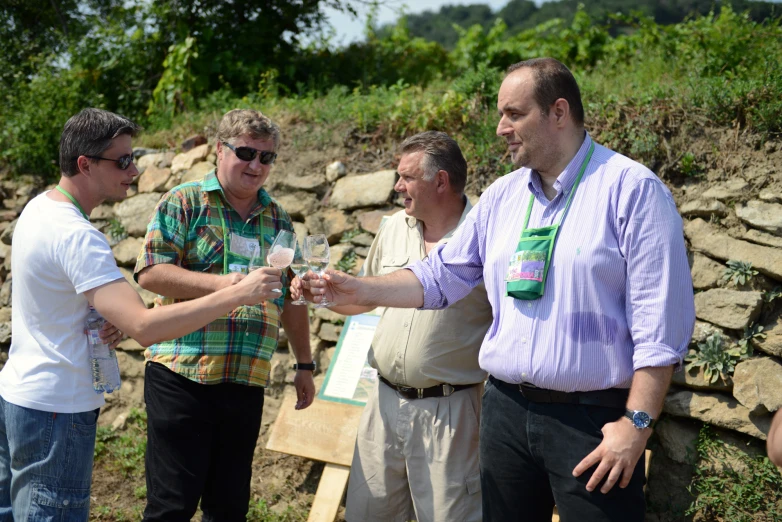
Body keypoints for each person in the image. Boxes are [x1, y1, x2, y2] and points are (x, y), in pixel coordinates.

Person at [294, 58, 695, 522]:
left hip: (589, 420)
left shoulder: (632, 190)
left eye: (514, 113)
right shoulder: (504, 196)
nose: (501, 127)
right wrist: (356, 287)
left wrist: (637, 425)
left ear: (558, 112)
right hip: (504, 412)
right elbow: (439, 277)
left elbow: (659, 326)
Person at [0, 108, 283, 522]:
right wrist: (236, 292)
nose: (134, 170)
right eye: (123, 160)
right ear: (85, 164)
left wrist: (101, 315)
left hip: (23, 395)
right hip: (58, 408)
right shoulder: (79, 237)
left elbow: (55, 300)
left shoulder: (39, 209)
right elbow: (146, 328)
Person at [134, 108, 315, 522]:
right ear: (219, 149)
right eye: (246, 152)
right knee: (171, 507)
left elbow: (293, 297)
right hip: (182, 373)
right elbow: (151, 272)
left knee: (229, 509)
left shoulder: (278, 218)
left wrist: (305, 363)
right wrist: (227, 287)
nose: (256, 165)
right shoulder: (183, 200)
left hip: (245, 379)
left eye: (265, 157)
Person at [329, 131, 491, 522]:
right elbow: (363, 296)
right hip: (382, 406)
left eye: (406, 177)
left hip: (449, 412)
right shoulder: (392, 227)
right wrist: (325, 294)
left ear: (440, 181)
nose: (397, 186)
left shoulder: (486, 231)